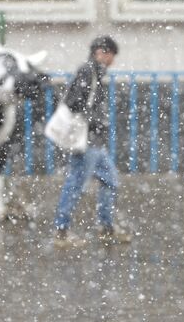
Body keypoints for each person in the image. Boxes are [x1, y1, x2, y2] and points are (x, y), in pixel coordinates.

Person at [53, 36, 132, 248]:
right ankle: (62, 232)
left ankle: (106, 227)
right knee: (76, 183)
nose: (112, 61)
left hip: (94, 140)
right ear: (101, 53)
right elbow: (74, 101)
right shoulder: (88, 71)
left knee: (110, 180)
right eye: (111, 55)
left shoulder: (95, 73)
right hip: (86, 140)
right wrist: (94, 121)